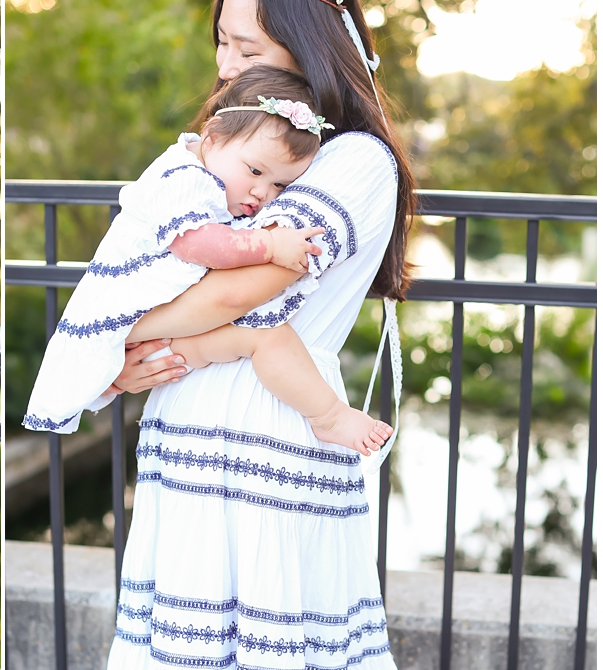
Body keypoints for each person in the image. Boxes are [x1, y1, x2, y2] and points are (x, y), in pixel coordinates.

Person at [85, 0, 426, 670]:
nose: (227, 66)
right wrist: (131, 345)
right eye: (223, 45)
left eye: (249, 49)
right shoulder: (230, 154)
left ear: (309, 48)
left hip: (271, 445)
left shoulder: (352, 160)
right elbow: (177, 267)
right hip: (192, 441)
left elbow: (247, 284)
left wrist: (114, 334)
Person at [23, 65, 393, 456]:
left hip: (158, 328)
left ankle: (330, 416)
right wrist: (269, 245)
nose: (262, 192)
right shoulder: (184, 178)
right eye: (255, 171)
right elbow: (195, 245)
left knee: (264, 337)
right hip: (129, 314)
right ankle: (330, 417)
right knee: (265, 336)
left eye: (280, 186)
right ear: (212, 139)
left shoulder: (218, 175)